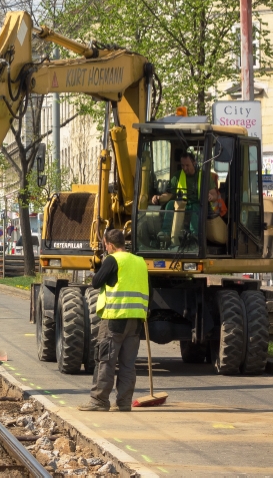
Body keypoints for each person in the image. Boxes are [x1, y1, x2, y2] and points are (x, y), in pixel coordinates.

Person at [78, 228, 149, 412]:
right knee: (128, 363)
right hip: (136, 320)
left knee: (106, 360)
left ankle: (99, 401)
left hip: (115, 319)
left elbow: (96, 282)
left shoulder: (113, 260)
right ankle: (124, 402)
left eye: (105, 246)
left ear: (109, 244)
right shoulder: (140, 261)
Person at [149, 151, 216, 242]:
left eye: (187, 165)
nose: (184, 168)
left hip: (198, 204)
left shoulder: (204, 175)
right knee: (170, 204)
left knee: (196, 208)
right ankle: (165, 233)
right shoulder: (177, 176)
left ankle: (194, 237)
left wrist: (211, 196)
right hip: (183, 205)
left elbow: (214, 193)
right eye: (182, 165)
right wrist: (159, 198)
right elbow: (168, 194)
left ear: (194, 163)